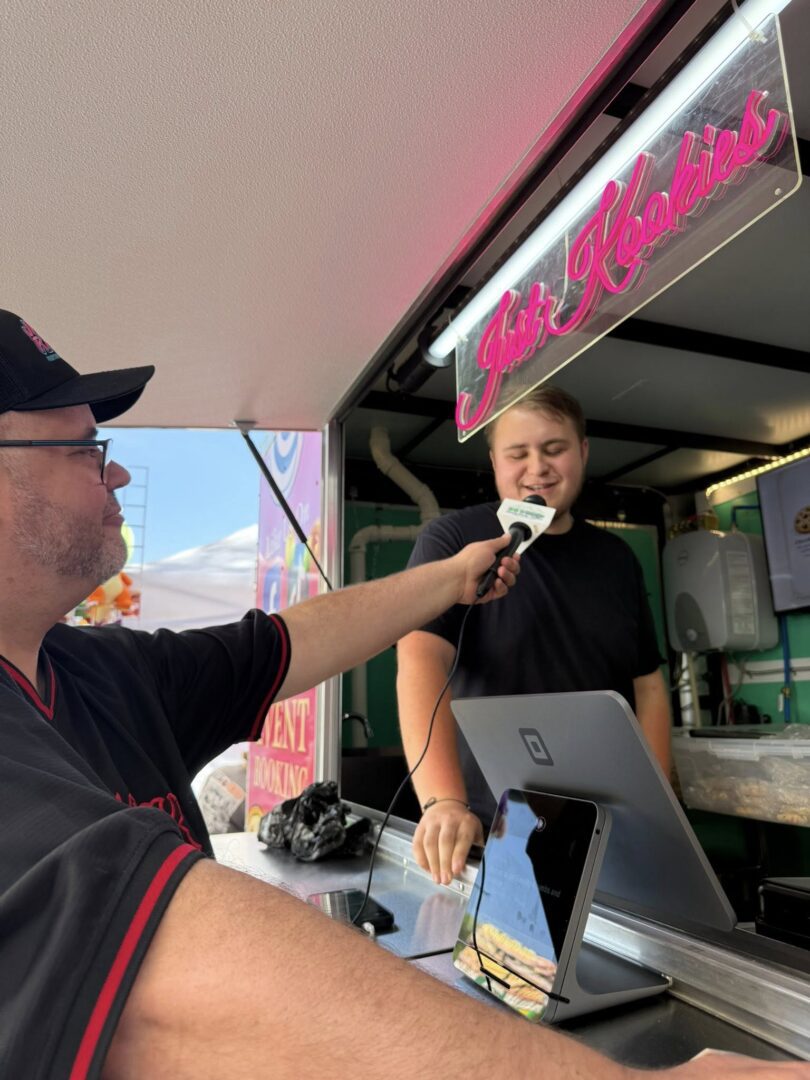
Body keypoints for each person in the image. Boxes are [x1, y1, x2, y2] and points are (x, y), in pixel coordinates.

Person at [0, 310, 803, 1080]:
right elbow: (172, 966)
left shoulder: (106, 672)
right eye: (83, 448)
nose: (116, 469)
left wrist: (449, 580)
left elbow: (284, 643)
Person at [397, 386, 672, 886]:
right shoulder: (455, 540)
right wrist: (443, 802)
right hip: (492, 826)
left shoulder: (618, 559)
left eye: (554, 449)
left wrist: (658, 807)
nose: (537, 468)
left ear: (582, 451)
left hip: (605, 829)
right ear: (494, 462)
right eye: (517, 453)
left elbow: (648, 685)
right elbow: (419, 658)